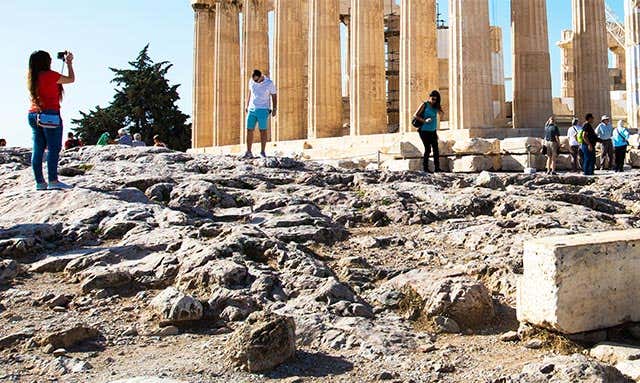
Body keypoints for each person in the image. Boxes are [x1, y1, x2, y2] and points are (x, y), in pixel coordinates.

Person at [27, 50, 75, 191]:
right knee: (54, 148)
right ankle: (53, 180)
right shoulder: (50, 75)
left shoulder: (32, 76)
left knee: (38, 148)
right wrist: (69, 63)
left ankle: (40, 183)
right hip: (50, 114)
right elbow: (71, 79)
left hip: (33, 114)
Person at [243, 69, 277, 159]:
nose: (256, 82)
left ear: (261, 76)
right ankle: (248, 151)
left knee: (263, 131)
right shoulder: (252, 81)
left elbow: (274, 95)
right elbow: (250, 92)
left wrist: (274, 108)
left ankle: (262, 152)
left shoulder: (269, 83)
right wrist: (247, 105)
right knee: (249, 130)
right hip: (252, 109)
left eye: (257, 80)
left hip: (263, 109)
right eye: (254, 80)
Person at [412, 90, 444, 173]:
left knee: (436, 149)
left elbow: (439, 116)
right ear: (429, 97)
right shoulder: (424, 104)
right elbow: (415, 115)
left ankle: (437, 168)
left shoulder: (435, 106)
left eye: (435, 99)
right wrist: (424, 120)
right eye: (432, 99)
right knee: (428, 149)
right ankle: (425, 168)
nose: (433, 101)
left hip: (433, 131)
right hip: (424, 130)